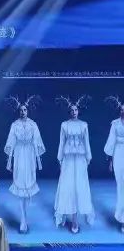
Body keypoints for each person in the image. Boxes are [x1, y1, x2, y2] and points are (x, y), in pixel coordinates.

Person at [3, 96, 45, 233]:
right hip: (19, 154)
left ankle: (26, 216)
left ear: (28, 111)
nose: (23, 112)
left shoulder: (33, 125)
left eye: (25, 109)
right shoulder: (14, 125)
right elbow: (11, 142)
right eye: (21, 110)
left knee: (29, 187)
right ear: (18, 111)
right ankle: (22, 218)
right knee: (20, 184)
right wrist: (9, 161)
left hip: (30, 155)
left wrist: (38, 161)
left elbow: (37, 142)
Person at [54, 97, 93, 233]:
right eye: (72, 110)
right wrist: (60, 158)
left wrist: (88, 157)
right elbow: (61, 142)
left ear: (78, 111)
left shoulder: (84, 125)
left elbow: (86, 141)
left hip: (80, 158)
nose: (74, 112)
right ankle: (73, 219)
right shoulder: (64, 125)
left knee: (79, 186)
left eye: (76, 110)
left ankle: (77, 219)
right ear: (69, 112)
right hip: (69, 159)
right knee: (69, 186)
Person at [105, 96, 124, 232]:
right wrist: (110, 161)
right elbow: (111, 141)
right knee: (121, 187)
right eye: (122, 109)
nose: (123, 111)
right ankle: (123, 219)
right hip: (119, 154)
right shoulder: (115, 124)